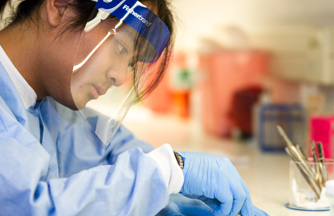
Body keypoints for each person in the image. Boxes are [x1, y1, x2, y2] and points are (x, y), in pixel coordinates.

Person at [0, 0, 269, 215]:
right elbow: (27, 207)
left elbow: (108, 153)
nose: (120, 78)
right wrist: (167, 171)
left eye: (131, 63)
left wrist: (169, 190)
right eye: (120, 47)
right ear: (61, 7)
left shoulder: (44, 108)